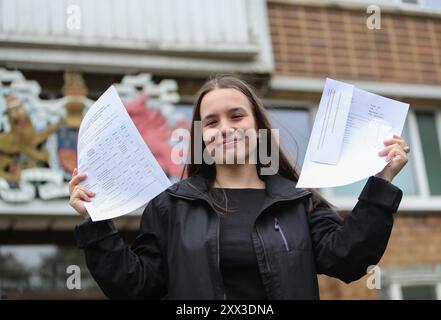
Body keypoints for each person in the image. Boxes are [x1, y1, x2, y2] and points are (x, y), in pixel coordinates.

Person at [70, 75, 409, 300]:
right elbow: (136, 287)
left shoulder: (298, 201)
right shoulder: (170, 206)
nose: (225, 128)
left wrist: (381, 183)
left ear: (258, 125)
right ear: (201, 135)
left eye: (237, 116)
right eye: (212, 122)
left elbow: (349, 259)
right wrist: (96, 220)